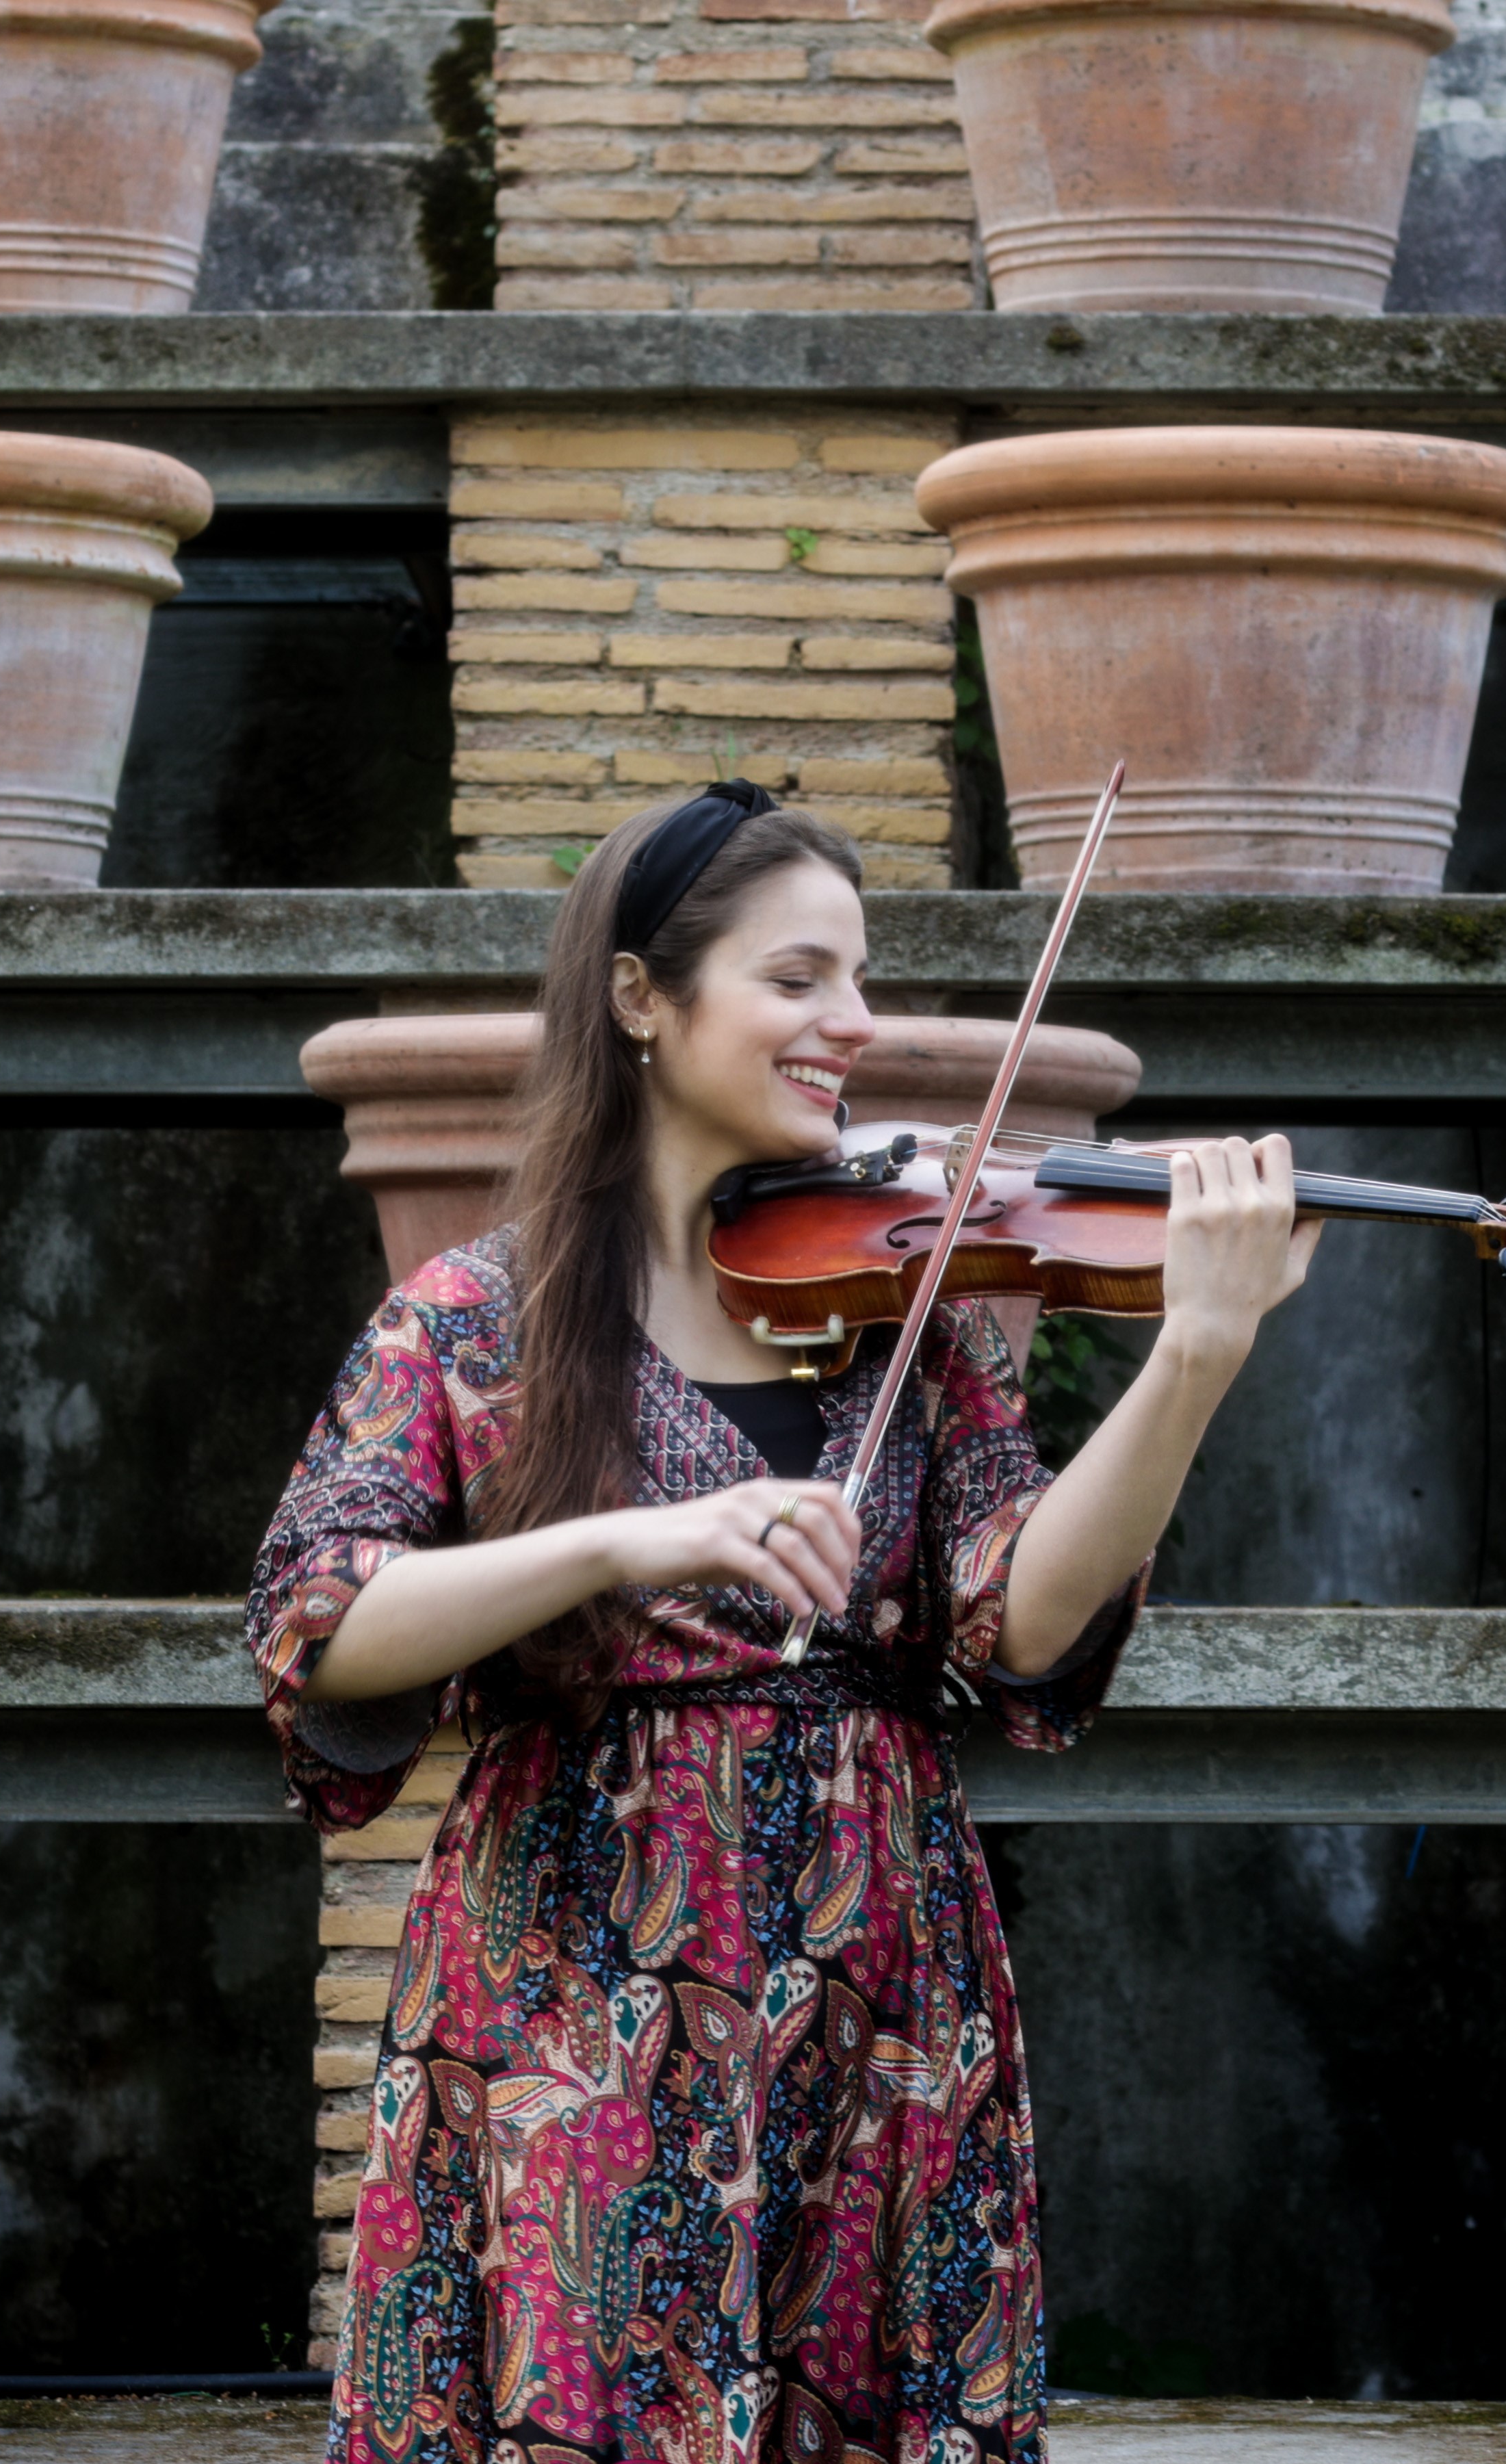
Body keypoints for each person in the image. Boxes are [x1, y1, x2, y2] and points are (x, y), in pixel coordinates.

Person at [247, 781, 1316, 2464]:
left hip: (872, 1973)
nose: (856, 1021)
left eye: (859, 978)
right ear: (640, 998)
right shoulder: (471, 1320)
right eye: (800, 977)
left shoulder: (910, 1314)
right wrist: (629, 1539)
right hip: (574, 1981)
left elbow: (1019, 1618)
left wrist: (1194, 1356)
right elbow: (321, 1624)